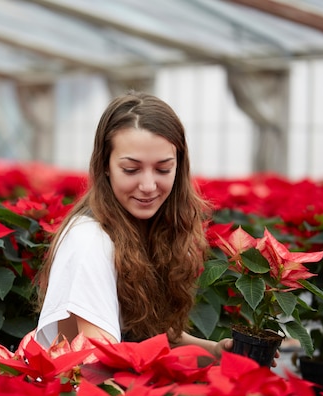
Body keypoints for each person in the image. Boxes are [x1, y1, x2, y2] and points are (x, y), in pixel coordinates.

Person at [34, 91, 234, 363]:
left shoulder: (140, 227)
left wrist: (215, 352)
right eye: (131, 170)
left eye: (163, 169)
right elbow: (101, 361)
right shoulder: (89, 240)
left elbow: (145, 334)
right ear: (105, 165)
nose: (149, 186)